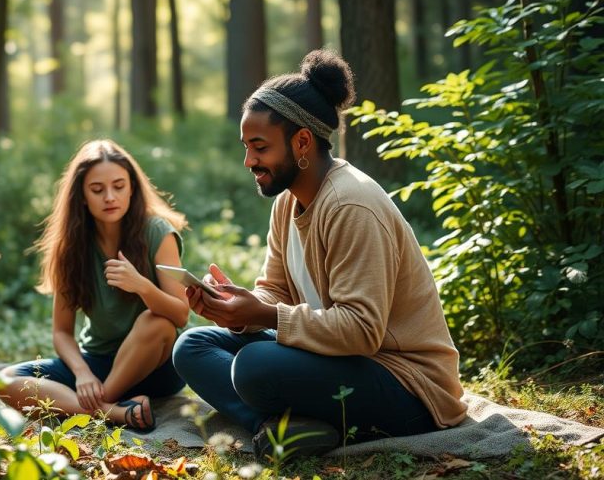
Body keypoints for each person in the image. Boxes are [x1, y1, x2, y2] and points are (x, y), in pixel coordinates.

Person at [172, 49, 466, 461]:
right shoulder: (287, 203)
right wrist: (237, 310)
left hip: (406, 383)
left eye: (260, 147)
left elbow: (363, 331)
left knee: (254, 366)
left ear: (303, 141)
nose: (249, 161)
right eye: (246, 147)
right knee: (193, 346)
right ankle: (278, 430)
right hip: (337, 359)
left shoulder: (351, 205)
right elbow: (274, 291)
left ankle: (286, 426)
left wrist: (264, 317)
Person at [0, 139, 190, 431]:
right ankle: (114, 412)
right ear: (82, 196)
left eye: (119, 186)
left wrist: (141, 286)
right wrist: (82, 373)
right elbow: (62, 333)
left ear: (133, 188)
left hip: (155, 367)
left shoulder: (157, 232)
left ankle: (99, 404)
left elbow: (180, 315)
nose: (110, 197)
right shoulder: (71, 245)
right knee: (4, 381)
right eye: (97, 190)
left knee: (156, 321)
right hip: (98, 362)